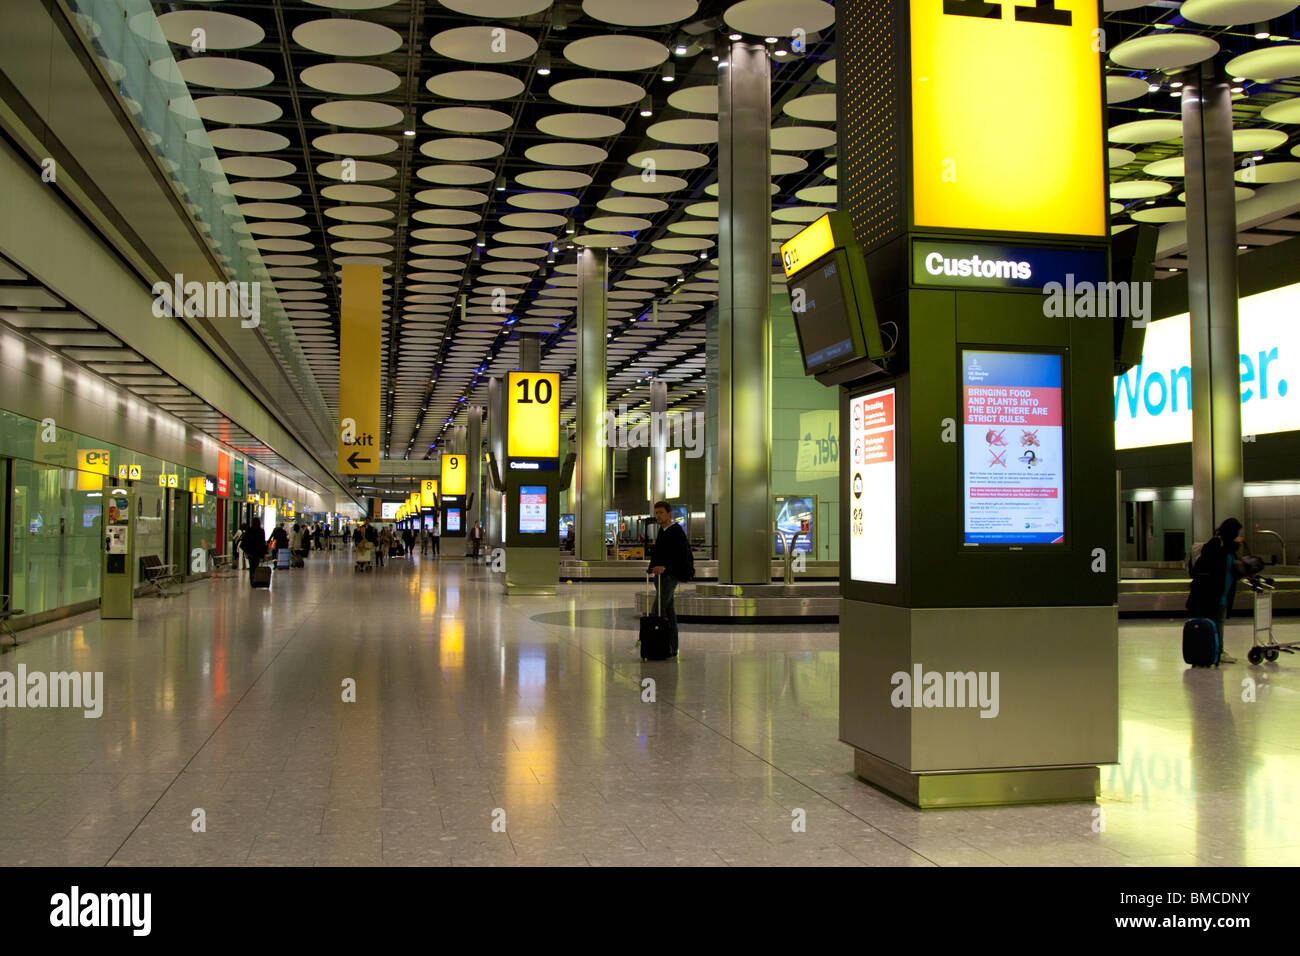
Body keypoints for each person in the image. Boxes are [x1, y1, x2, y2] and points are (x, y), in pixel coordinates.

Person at [1187, 517, 1247, 664]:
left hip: (1223, 594)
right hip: (1211, 593)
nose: (1239, 536)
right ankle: (1213, 651)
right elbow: (1211, 566)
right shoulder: (1216, 544)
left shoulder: (1230, 548)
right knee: (1214, 622)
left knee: (1218, 622)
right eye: (1237, 532)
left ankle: (1216, 650)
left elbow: (1232, 569)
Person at [647, 500, 694, 657]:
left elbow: (681, 556)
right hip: (660, 576)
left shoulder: (676, 531)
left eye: (661, 512)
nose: (658, 516)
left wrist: (665, 568)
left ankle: (651, 642)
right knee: (669, 611)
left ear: (669, 513)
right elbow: (659, 553)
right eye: (656, 513)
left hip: (670, 576)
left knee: (657, 610)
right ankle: (672, 647)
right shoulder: (662, 530)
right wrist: (652, 568)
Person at [240, 520, 268, 585]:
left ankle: (252, 580)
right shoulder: (261, 531)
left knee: (252, 566)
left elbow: (244, 542)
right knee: (256, 565)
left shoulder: (249, 530)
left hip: (250, 552)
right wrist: (263, 553)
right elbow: (262, 543)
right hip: (257, 552)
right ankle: (256, 579)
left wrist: (246, 551)